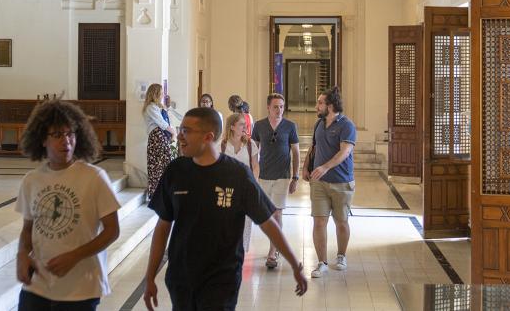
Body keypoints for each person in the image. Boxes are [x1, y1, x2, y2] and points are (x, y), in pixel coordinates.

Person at [143, 107, 307, 311]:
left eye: (186, 131)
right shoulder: (176, 171)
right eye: (181, 130)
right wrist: (149, 277)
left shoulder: (238, 175)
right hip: (181, 277)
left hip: (222, 278)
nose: (180, 136)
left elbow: (268, 223)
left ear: (208, 137)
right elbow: (163, 225)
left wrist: (295, 264)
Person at [15, 100, 120, 310]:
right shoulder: (31, 180)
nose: (67, 141)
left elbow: (112, 231)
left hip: (81, 288)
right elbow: (28, 229)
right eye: (57, 135)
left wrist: (75, 256)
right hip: (38, 286)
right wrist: (22, 255)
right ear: (42, 140)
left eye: (70, 134)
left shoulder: (94, 177)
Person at [302, 86, 357, 278]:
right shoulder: (319, 124)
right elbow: (314, 147)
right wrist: (305, 165)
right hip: (319, 183)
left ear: (331, 106)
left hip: (342, 182)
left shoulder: (346, 125)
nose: (316, 105)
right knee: (319, 222)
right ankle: (321, 262)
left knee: (341, 222)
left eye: (320, 102)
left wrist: (325, 167)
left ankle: (341, 255)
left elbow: (345, 152)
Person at [251, 93, 300, 269]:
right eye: (275, 107)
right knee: (267, 215)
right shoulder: (259, 126)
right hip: (264, 175)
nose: (279, 110)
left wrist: (295, 176)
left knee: (277, 213)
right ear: (268, 108)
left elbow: (295, 152)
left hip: (282, 175)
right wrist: (253, 173)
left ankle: (273, 251)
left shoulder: (290, 126)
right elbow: (254, 151)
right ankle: (275, 245)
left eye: (281, 106)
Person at [220, 112, 260, 251]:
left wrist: (253, 183)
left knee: (245, 224)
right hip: (226, 192)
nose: (245, 126)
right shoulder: (222, 145)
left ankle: (240, 253)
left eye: (245, 124)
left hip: (245, 190)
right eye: (241, 124)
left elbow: (255, 166)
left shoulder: (250, 144)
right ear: (232, 127)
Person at [143, 83, 176, 199]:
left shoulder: (158, 106)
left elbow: (166, 119)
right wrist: (173, 132)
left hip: (161, 137)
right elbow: (161, 123)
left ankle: (164, 193)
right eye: (161, 93)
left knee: (164, 164)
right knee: (157, 166)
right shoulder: (151, 107)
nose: (162, 95)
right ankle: (157, 194)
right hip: (157, 137)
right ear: (155, 93)